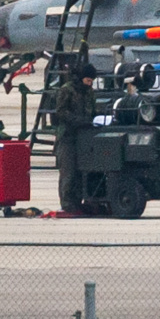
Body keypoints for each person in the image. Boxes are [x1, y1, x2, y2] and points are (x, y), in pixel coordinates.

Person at [52, 65, 98, 212]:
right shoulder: (67, 90)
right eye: (88, 80)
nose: (89, 83)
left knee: (81, 172)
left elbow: (93, 110)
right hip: (67, 136)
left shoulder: (89, 92)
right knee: (68, 171)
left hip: (84, 137)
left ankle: (78, 201)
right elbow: (60, 112)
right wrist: (78, 121)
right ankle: (67, 203)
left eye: (91, 81)